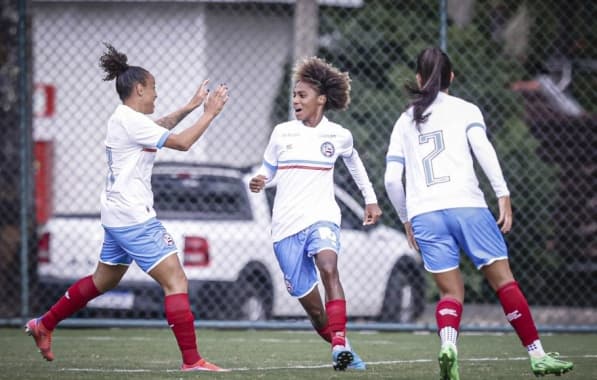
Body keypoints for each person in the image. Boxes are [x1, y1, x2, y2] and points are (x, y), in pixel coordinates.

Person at [25, 43, 230, 372]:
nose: (156, 95)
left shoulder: (127, 119)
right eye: (153, 89)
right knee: (176, 281)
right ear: (139, 89)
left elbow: (161, 125)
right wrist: (210, 112)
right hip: (134, 218)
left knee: (101, 282)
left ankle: (44, 324)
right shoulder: (129, 121)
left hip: (117, 216)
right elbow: (182, 142)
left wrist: (191, 106)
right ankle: (192, 361)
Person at [384, 47, 574, 380]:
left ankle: (448, 346)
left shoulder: (404, 120)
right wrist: (502, 192)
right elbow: (482, 149)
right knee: (504, 283)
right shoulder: (465, 109)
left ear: (418, 79)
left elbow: (390, 179)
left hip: (425, 214)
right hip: (468, 206)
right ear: (451, 78)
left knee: (450, 292)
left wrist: (405, 219)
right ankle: (538, 356)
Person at [249, 56, 382, 371]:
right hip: (285, 227)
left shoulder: (338, 135)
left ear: (321, 100)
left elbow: (354, 162)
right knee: (315, 311)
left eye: (302, 95)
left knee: (329, 266)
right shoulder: (282, 133)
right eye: (294, 95)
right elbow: (268, 168)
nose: (295, 100)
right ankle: (345, 349)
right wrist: (261, 178)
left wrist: (371, 199)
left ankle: (337, 345)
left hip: (322, 217)